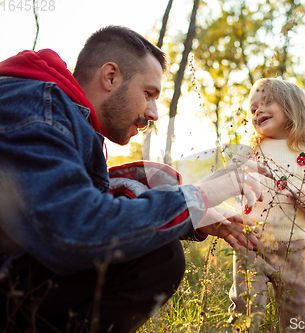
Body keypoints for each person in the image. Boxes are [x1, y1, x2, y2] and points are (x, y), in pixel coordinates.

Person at [0, 26, 267, 332]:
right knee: (156, 256)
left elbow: (74, 205)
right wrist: (200, 194)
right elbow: (77, 230)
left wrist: (194, 212)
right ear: (110, 77)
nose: (153, 113)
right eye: (148, 93)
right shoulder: (37, 106)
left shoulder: (65, 115)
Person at [228, 78, 305, 332]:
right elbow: (232, 186)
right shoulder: (250, 150)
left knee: (297, 309)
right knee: (246, 305)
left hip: (292, 248)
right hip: (252, 243)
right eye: (253, 109)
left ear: (293, 107)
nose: (258, 111)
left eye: (267, 102)